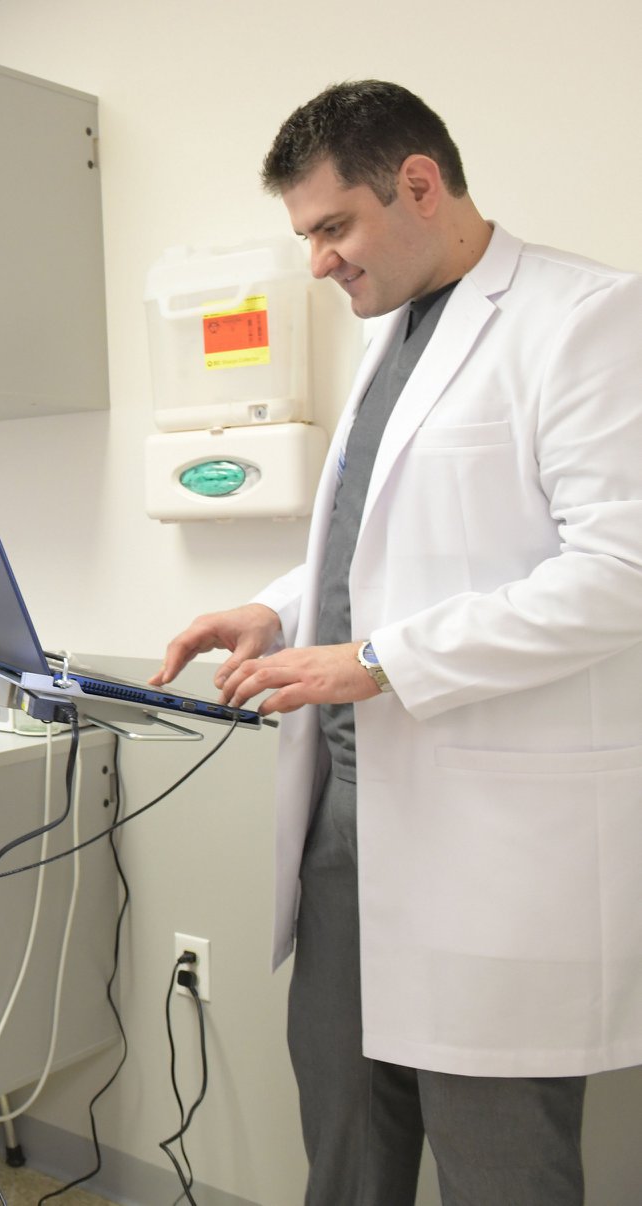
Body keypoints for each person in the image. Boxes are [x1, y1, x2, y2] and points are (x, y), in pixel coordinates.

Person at [152, 81, 642, 1203]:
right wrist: (278, 610)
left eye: (333, 227)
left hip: (486, 845)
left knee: (498, 1169)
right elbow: (385, 537)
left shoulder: (584, 318)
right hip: (344, 827)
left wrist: (375, 662)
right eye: (305, 236)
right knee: (343, 1148)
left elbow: (619, 573)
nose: (317, 262)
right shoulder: (394, 333)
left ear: (418, 183)